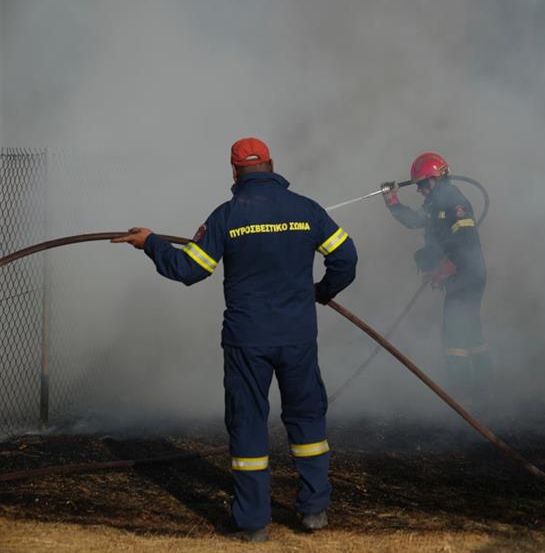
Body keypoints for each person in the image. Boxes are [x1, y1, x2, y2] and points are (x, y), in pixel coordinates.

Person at [112, 137, 357, 542]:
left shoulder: (227, 216)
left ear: (233, 171)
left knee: (248, 425)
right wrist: (322, 292)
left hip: (247, 340)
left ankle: (252, 523)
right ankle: (314, 510)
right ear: (272, 164)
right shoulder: (307, 209)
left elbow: (189, 269)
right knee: (307, 418)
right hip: (297, 336)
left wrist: (150, 244)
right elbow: (345, 258)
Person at [381, 152, 491, 405]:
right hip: (467, 274)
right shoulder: (437, 203)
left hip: (467, 275)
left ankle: (460, 394)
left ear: (434, 179)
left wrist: (449, 265)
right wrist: (391, 200)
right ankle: (484, 388)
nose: (419, 190)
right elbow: (416, 221)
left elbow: (466, 239)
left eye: (421, 184)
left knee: (454, 333)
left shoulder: (453, 200)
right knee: (471, 330)